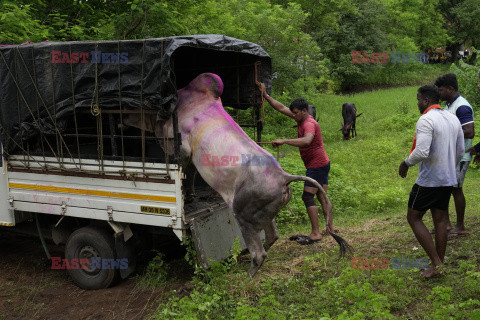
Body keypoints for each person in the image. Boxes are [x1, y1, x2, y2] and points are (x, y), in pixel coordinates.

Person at [399, 84, 464, 278]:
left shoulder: (426, 119)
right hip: (448, 178)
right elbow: (460, 151)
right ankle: (439, 265)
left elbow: (421, 151)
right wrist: (448, 167)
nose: (417, 103)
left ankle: (436, 263)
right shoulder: (452, 118)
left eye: (418, 99)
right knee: (441, 219)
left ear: (426, 101)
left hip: (429, 180)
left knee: (413, 217)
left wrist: (405, 163)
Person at [258, 82, 332, 245]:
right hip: (322, 163)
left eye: (296, 113)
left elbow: (307, 141)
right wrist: (266, 96)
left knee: (307, 196)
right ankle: (330, 229)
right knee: (321, 196)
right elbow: (281, 108)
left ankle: (315, 233)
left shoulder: (309, 123)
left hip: (317, 165)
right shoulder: (300, 118)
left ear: (304, 111)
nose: (293, 115)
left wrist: (284, 140)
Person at [434, 73, 474, 239]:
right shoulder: (449, 104)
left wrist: (446, 132)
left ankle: (460, 226)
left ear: (450, 89)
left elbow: (470, 132)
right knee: (447, 189)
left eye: (441, 90)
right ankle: (447, 224)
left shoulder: (462, 106)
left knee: (456, 190)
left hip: (460, 156)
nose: (439, 93)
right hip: (451, 155)